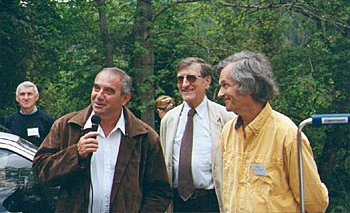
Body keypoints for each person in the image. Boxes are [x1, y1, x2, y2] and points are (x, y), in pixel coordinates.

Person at [32, 67, 172, 213]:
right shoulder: (67, 126)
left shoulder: (144, 137)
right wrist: (75, 154)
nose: (99, 96)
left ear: (125, 99)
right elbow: (41, 171)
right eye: (96, 88)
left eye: (108, 91)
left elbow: (160, 192)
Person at [216, 50, 329, 213]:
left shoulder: (288, 135)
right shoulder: (228, 132)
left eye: (226, 85)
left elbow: (314, 202)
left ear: (249, 87)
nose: (220, 94)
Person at [160, 57, 236, 213]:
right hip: (176, 203)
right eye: (180, 79)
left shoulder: (226, 118)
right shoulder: (169, 120)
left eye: (191, 78)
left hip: (210, 202)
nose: (185, 84)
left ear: (207, 82)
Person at [4, 81, 54, 146]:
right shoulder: (9, 121)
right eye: (22, 94)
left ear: (37, 97)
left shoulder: (47, 121)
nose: (26, 98)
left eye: (29, 94)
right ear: (17, 98)